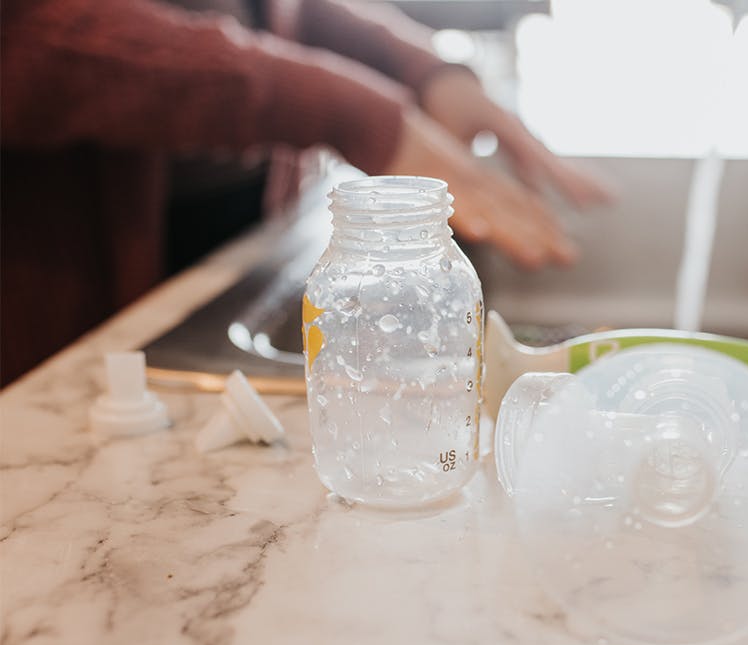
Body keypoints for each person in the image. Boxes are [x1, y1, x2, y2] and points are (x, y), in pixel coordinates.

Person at [0, 0, 611, 385]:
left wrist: (428, 74)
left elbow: (284, 11)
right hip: (61, 315)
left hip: (214, 251)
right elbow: (29, 36)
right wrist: (343, 110)